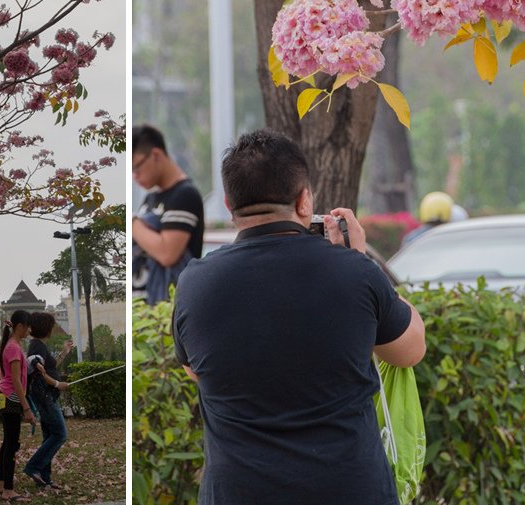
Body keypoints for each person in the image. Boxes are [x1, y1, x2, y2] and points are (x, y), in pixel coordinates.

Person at [173, 129, 426, 505]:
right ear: (304, 200)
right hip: (349, 491)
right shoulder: (355, 274)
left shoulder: (195, 284)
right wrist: (359, 261)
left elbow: (197, 369)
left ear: (229, 203)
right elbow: (410, 350)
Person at [131, 124, 205, 304]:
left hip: (167, 308)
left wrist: (132, 222)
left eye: (137, 168)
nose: (135, 176)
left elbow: (167, 253)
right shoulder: (150, 198)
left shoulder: (184, 194)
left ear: (155, 155)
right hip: (143, 305)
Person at [22, 312, 73, 490]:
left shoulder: (39, 346)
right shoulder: (37, 347)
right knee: (60, 434)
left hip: (46, 396)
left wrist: (64, 353)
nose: (52, 329)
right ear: (45, 327)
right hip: (44, 396)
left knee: (49, 436)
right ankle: (33, 467)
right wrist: (58, 384)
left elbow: (50, 367)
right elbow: (41, 375)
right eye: (51, 326)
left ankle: (44, 478)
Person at [0, 310, 36, 503]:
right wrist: (26, 408)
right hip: (11, 398)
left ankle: (0, 483)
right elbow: (17, 382)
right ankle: (8, 490)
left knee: (8, 441)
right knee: (12, 444)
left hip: (5, 395)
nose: (30, 330)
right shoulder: (13, 348)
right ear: (20, 326)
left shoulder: (13, 346)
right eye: (28, 326)